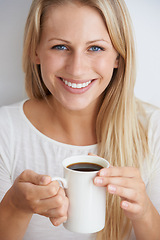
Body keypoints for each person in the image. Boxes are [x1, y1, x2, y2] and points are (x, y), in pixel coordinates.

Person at [0, 0, 160, 239]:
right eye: (60, 47)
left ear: (118, 56)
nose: (76, 69)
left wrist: (144, 212)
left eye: (95, 48)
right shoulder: (5, 131)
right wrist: (14, 207)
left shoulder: (152, 129)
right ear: (36, 51)